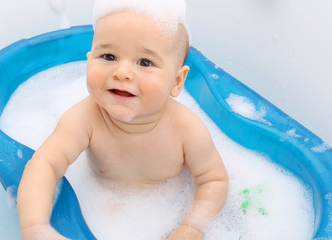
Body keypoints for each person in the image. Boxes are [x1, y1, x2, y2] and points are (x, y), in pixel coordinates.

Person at [17, 0, 229, 239]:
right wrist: (35, 226)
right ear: (89, 60)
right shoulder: (85, 118)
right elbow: (44, 164)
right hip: (101, 209)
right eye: (108, 56)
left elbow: (214, 180)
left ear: (177, 82)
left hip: (164, 212)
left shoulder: (187, 129)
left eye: (145, 62)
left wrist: (192, 226)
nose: (122, 72)